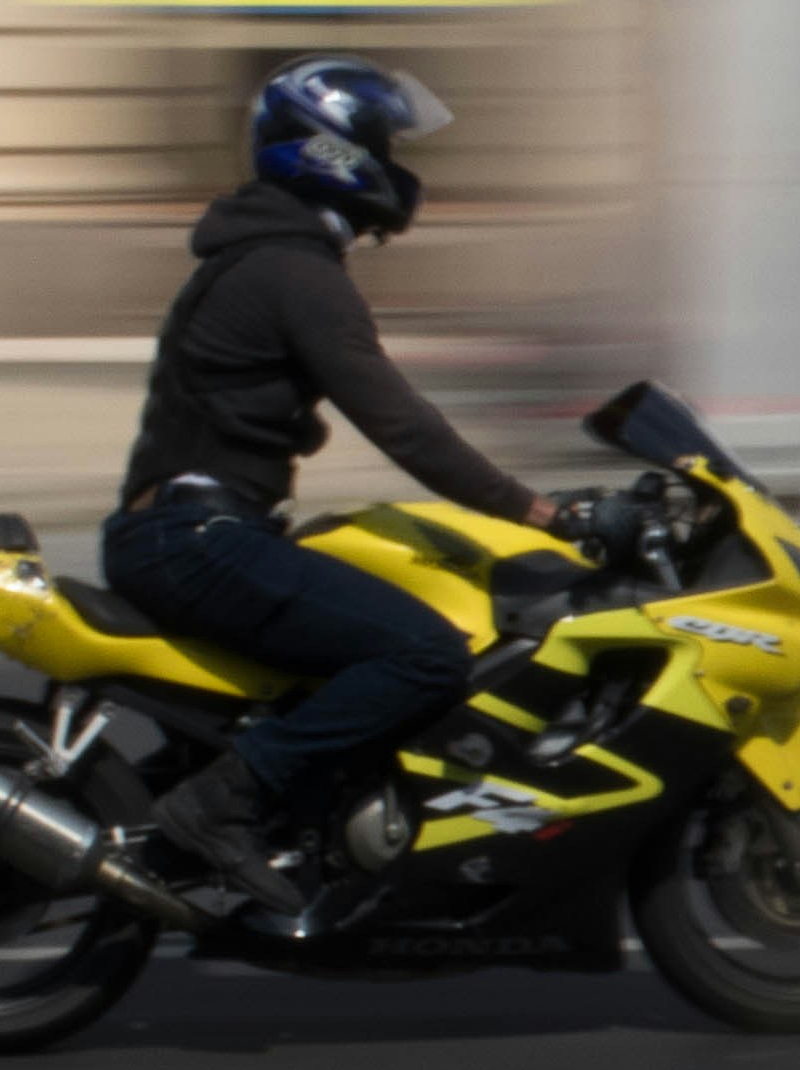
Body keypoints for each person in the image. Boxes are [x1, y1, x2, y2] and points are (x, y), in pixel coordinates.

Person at [102, 54, 585, 932]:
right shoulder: (294, 273)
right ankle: (220, 804)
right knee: (424, 654)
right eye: (385, 147)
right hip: (196, 537)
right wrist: (540, 513)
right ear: (335, 152)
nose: (399, 169)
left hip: (189, 531)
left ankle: (269, 817)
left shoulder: (267, 257)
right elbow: (401, 424)